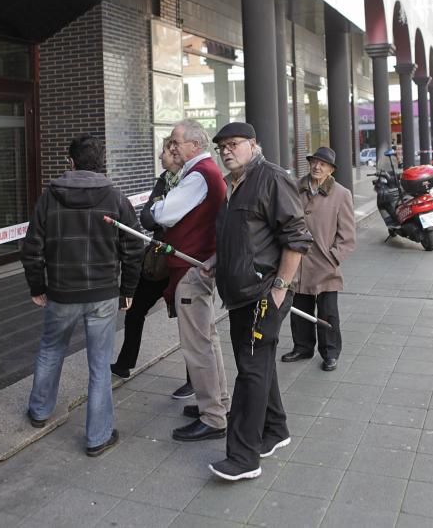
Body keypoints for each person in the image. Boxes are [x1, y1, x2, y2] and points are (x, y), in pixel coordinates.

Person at [21, 135, 144, 456]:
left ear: (70, 162)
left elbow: (32, 247)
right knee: (100, 364)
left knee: (50, 349)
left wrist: (37, 286)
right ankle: (98, 437)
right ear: (99, 162)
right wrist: (128, 289)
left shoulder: (49, 197)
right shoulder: (116, 197)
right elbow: (134, 246)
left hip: (61, 293)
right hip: (103, 293)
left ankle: (39, 411)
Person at [206, 122, 313, 481]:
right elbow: (244, 236)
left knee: (250, 372)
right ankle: (276, 429)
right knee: (257, 364)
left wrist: (279, 288)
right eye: (221, 146)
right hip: (238, 296)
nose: (226, 151)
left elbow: (297, 238)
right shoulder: (233, 184)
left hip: (263, 295)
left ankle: (243, 456)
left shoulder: (272, 178)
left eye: (233, 144)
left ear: (253, 144)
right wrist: (218, 263)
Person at [151, 119, 229, 441]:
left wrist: (154, 207)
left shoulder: (199, 175)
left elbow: (164, 214)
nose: (172, 147)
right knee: (208, 341)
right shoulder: (207, 172)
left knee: (198, 347)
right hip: (200, 266)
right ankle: (217, 403)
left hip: (191, 269)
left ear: (194, 146)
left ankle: (212, 417)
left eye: (176, 141)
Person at [111, 138, 193, 399]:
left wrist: (165, 212)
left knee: (189, 322)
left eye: (165, 152)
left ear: (177, 155)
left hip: (183, 264)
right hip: (158, 262)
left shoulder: (192, 181)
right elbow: (147, 217)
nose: (160, 156)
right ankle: (124, 364)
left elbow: (185, 220)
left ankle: (195, 379)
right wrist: (165, 212)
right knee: (135, 311)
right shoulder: (163, 180)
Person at [281, 146, 355, 372]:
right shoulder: (295, 188)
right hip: (298, 262)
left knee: (328, 313)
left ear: (331, 170)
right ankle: (303, 347)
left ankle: (330, 352)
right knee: (299, 309)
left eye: (323, 164)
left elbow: (348, 236)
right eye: (314, 162)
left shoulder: (341, 194)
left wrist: (333, 258)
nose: (317, 166)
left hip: (325, 265)